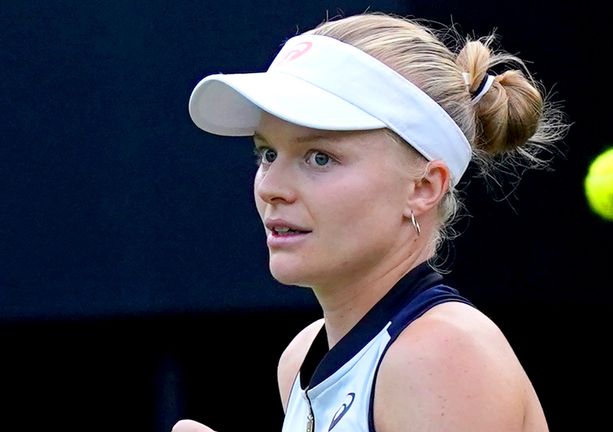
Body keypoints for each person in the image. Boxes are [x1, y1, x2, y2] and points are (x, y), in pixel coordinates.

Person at [179, 11, 568, 432]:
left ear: (423, 188)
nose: (272, 186)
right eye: (267, 153)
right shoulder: (300, 359)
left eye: (320, 157)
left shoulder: (440, 354)